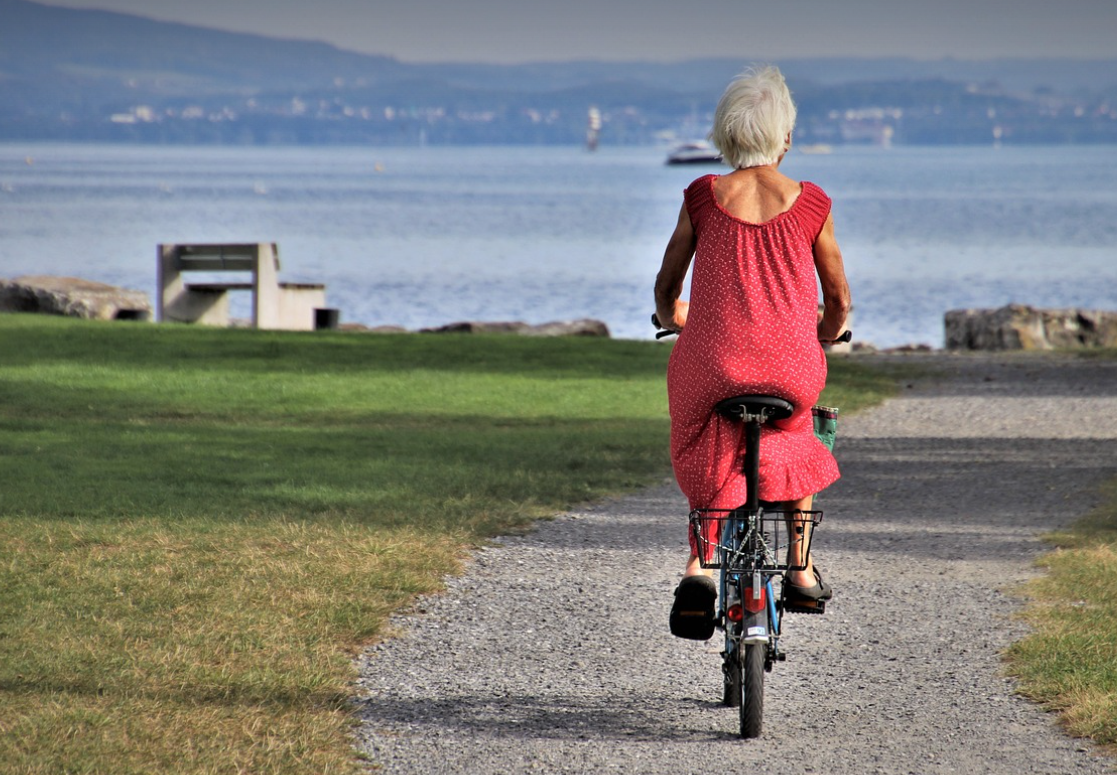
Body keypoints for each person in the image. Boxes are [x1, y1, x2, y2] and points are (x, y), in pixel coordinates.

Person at [653, 65, 851, 640]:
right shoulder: (812, 202)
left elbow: (668, 289)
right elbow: (837, 298)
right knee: (797, 433)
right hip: (790, 366)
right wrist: (827, 332)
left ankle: (700, 567)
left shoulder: (702, 196)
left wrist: (675, 320)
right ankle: (801, 565)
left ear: (724, 135)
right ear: (784, 137)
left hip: (712, 364)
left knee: (705, 430)